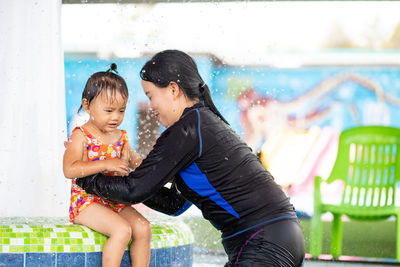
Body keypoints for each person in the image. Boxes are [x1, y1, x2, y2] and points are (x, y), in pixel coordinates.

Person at [76, 50, 305, 266]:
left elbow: (133, 190)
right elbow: (173, 204)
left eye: (151, 96)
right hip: (276, 237)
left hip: (264, 241)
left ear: (173, 90)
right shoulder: (200, 124)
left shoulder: (188, 129)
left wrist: (84, 177)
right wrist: (133, 174)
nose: (152, 107)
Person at [63, 63, 151, 267]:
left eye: (121, 110)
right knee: (122, 230)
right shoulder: (80, 135)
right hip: (87, 203)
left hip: (114, 200)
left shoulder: (121, 137)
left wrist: (160, 168)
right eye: (109, 110)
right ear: (87, 105)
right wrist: (106, 163)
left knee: (143, 227)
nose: (116, 117)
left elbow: (137, 163)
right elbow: (69, 169)